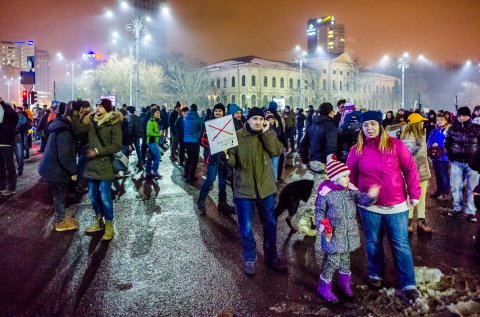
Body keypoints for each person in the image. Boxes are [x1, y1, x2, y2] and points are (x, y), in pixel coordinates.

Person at [347, 110, 421, 302]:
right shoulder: (357, 150)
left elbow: (410, 169)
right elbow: (350, 178)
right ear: (361, 128)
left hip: (397, 205)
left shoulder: (395, 145)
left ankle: (408, 283)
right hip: (369, 207)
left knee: (400, 244)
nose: (369, 128)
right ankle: (375, 274)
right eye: (365, 125)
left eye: (373, 124)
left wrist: (414, 193)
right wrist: (358, 196)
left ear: (380, 125)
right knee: (373, 243)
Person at [227, 107, 285, 276]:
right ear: (248, 120)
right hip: (244, 190)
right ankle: (250, 258)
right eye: (255, 119)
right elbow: (232, 162)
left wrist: (267, 132)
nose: (258, 122)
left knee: (270, 225)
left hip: (265, 189)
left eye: (261, 119)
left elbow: (276, 151)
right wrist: (225, 156)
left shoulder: (267, 133)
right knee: (246, 228)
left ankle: (271, 257)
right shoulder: (236, 135)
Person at [315, 154, 379, 302]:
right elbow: (319, 212)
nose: (348, 179)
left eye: (348, 176)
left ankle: (345, 284)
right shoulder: (326, 194)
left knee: (345, 260)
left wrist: (371, 196)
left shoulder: (350, 191)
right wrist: (321, 225)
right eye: (344, 176)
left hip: (348, 233)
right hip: (334, 233)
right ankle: (323, 287)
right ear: (334, 178)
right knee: (332, 262)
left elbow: (362, 199)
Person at [72, 99, 122, 240]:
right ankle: (99, 221)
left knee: (105, 196)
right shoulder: (92, 121)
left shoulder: (114, 122)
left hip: (105, 165)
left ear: (107, 108)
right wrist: (76, 114)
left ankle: (109, 225)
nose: (98, 108)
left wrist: (97, 151)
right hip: (91, 165)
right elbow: (78, 130)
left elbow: (117, 145)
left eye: (101, 106)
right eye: (97, 105)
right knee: (93, 196)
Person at [38, 104, 79, 232]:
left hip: (52, 167)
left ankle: (60, 218)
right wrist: (73, 171)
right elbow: (64, 155)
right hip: (55, 169)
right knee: (59, 196)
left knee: (59, 196)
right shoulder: (64, 131)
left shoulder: (60, 125)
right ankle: (60, 222)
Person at [197, 103, 235, 215]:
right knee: (210, 179)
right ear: (213, 112)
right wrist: (214, 145)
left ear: (223, 112)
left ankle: (222, 204)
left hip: (224, 157)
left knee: (223, 181)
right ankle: (201, 200)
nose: (218, 113)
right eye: (216, 111)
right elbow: (202, 140)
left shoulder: (227, 124)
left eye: (220, 111)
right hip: (213, 157)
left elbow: (231, 140)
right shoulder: (208, 124)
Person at [445, 106, 480, 223]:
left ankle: (471, 211)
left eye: (463, 115)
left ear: (469, 116)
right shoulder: (452, 129)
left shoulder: (477, 128)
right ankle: (457, 207)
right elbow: (447, 144)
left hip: (473, 163)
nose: (461, 117)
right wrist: (451, 157)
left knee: (472, 188)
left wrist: (477, 160)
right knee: (456, 186)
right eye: (459, 115)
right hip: (456, 162)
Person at [400, 113, 432, 233]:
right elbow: (406, 153)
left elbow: (424, 152)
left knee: (422, 196)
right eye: (421, 121)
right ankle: (408, 221)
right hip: (412, 170)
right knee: (411, 195)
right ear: (417, 123)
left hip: (423, 169)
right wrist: (417, 145)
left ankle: (421, 220)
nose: (423, 123)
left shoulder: (422, 134)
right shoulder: (407, 135)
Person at [427, 112, 451, 201]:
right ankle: (439, 191)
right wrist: (431, 144)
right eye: (438, 120)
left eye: (441, 120)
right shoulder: (434, 131)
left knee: (444, 175)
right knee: (437, 174)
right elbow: (429, 140)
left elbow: (449, 142)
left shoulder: (448, 131)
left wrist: (439, 144)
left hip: (444, 157)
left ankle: (445, 193)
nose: (439, 121)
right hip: (435, 156)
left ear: (446, 121)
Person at [0, 98, 19, 196]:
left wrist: (2, 103)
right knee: (1, 167)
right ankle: (2, 186)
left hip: (6, 143)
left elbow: (15, 116)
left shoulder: (8, 110)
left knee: (9, 166)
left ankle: (11, 188)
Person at [183, 104, 203, 182]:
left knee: (189, 157)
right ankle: (191, 177)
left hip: (186, 140)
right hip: (195, 141)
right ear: (196, 109)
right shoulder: (198, 119)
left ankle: (186, 174)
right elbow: (200, 130)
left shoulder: (185, 118)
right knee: (194, 159)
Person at [265, 111, 284, 181]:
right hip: (269, 151)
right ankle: (273, 182)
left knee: (275, 166)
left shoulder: (277, 126)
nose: (270, 121)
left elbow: (279, 136)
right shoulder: (266, 128)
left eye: (272, 119)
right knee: (272, 167)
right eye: (268, 120)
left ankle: (275, 181)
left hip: (276, 150)